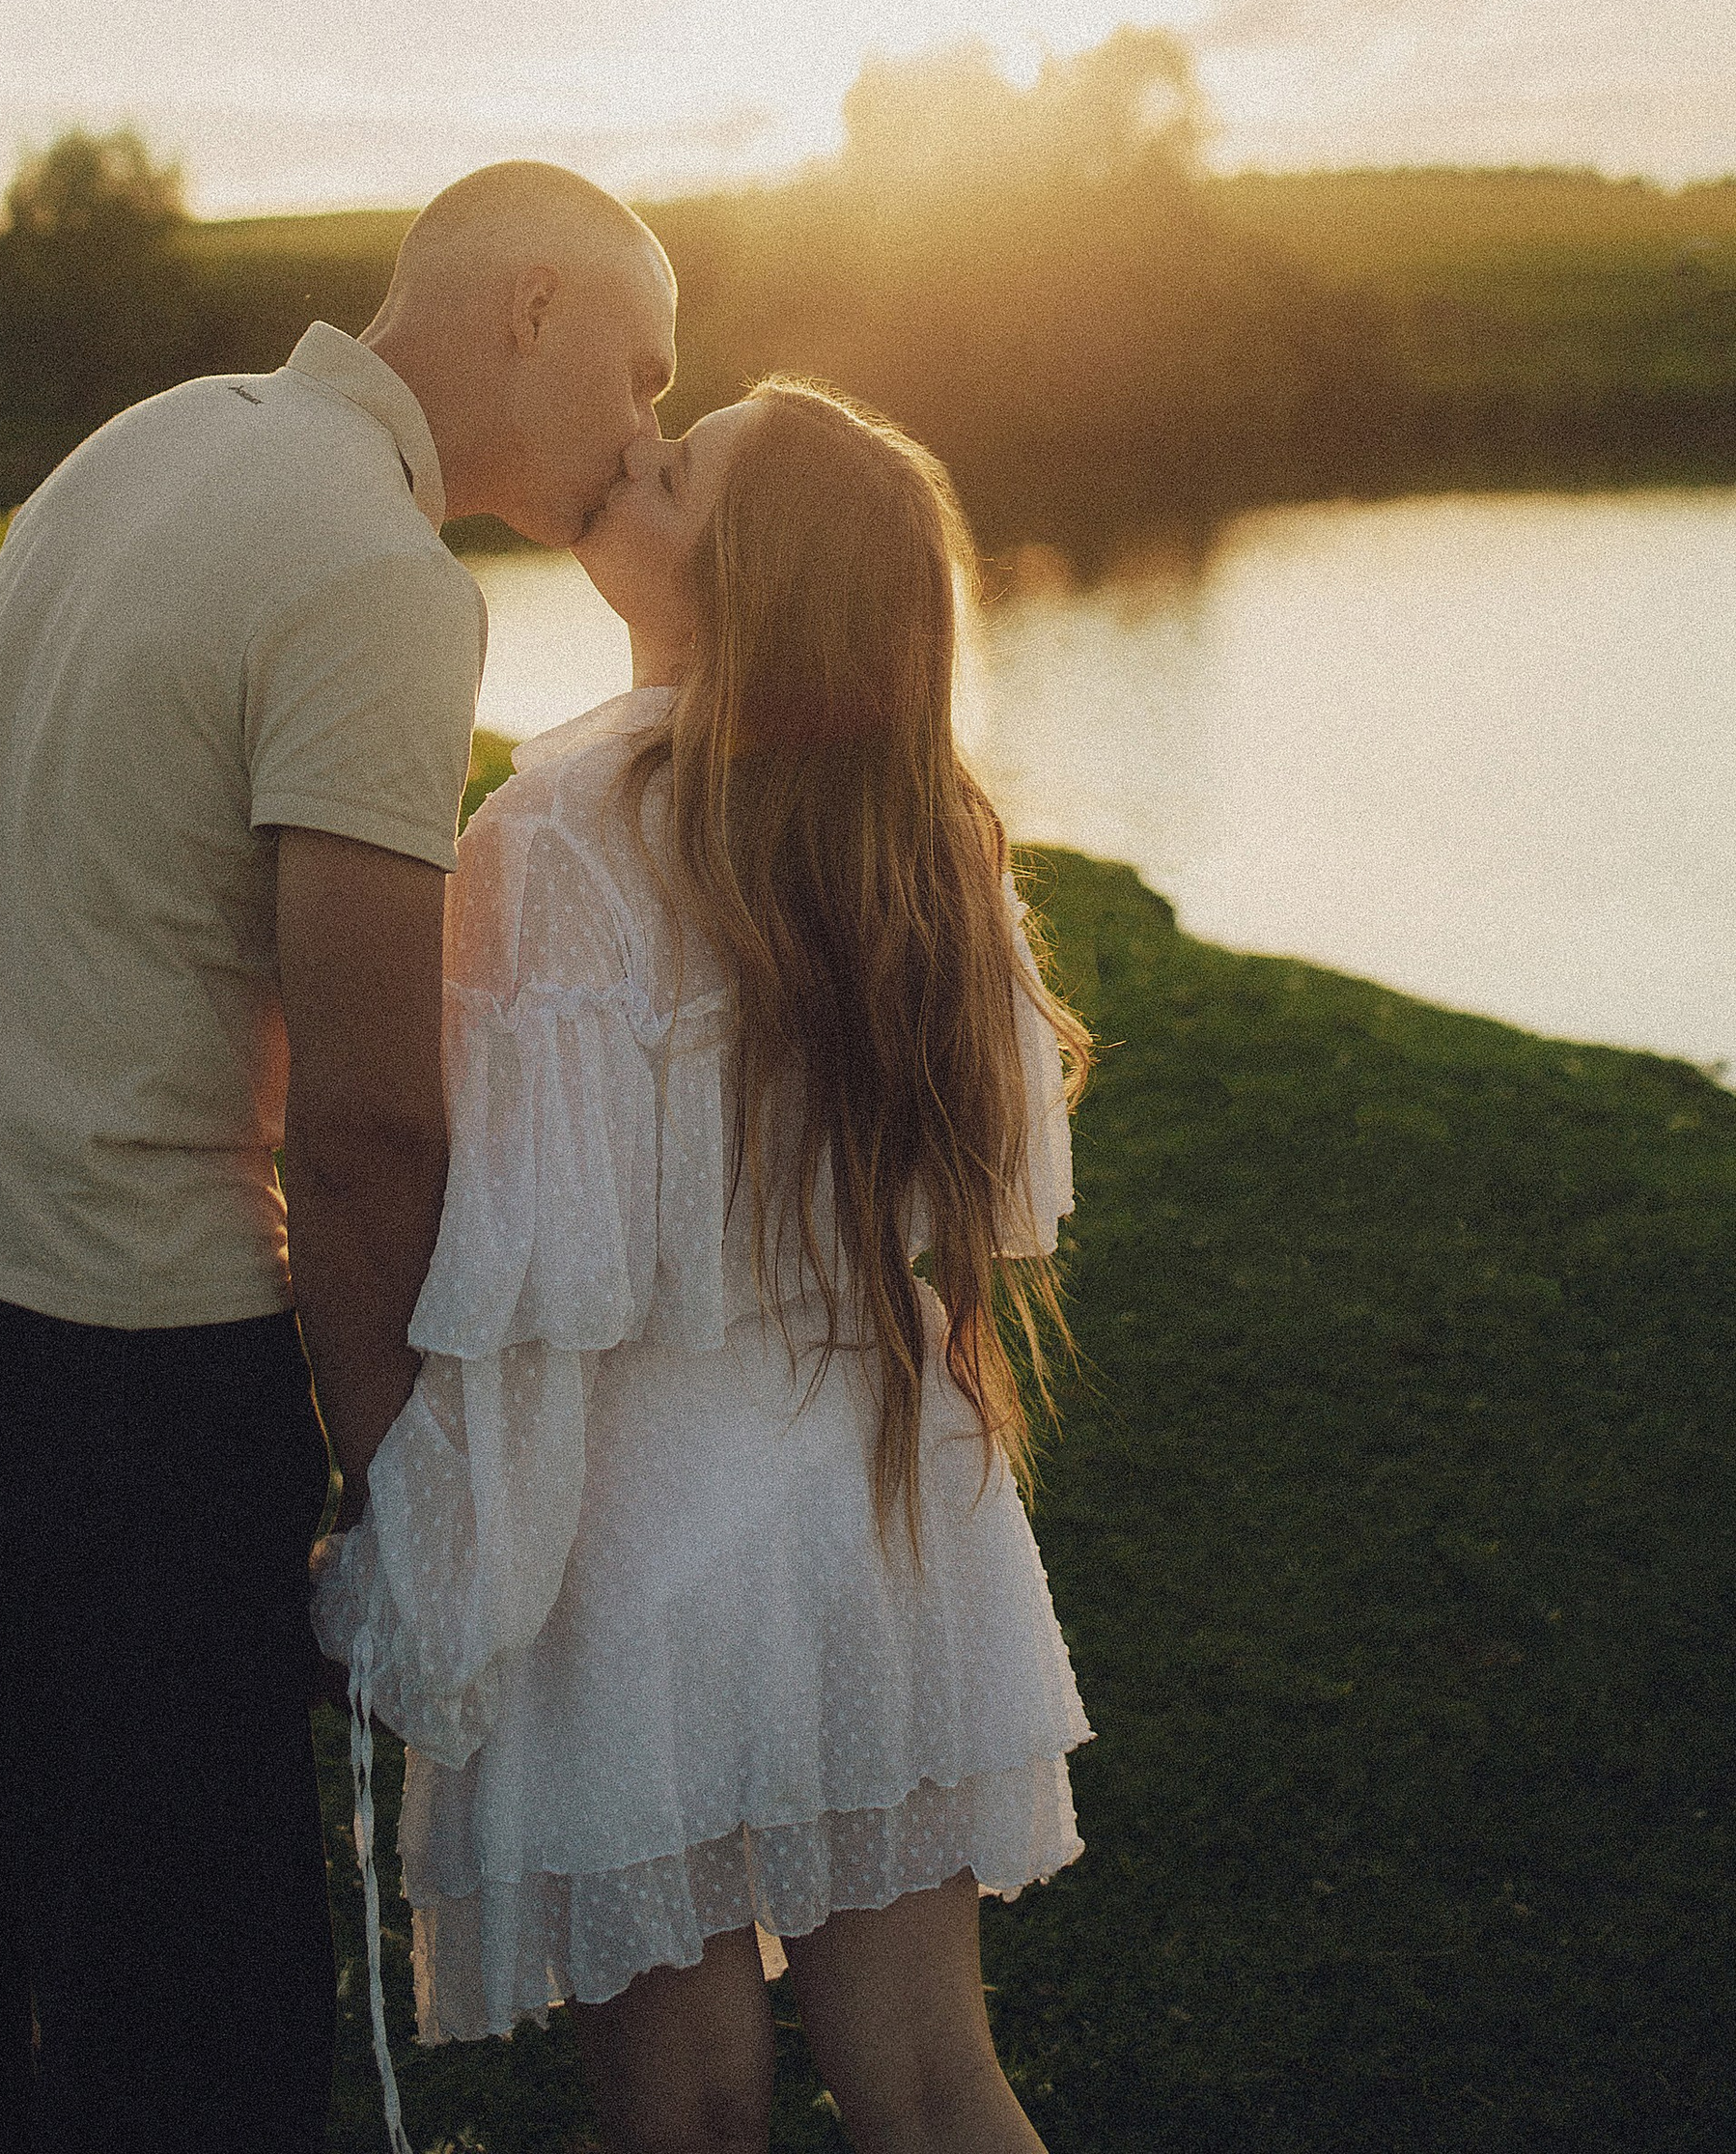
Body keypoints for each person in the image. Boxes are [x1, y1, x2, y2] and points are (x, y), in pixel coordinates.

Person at [0, 163, 678, 2154]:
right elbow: (361, 1123)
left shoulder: (162, 432)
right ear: (525, 307)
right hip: (94, 1351)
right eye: (636, 367)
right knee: (188, 2010)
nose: (644, 430)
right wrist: (407, 1484)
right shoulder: (378, 575)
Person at [314, 378, 1094, 2154]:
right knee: (930, 2076)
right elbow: (965, 1205)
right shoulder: (929, 842)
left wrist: (426, 1542)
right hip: (887, 1507)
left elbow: (521, 1279)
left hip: (639, 1546)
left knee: (686, 2109)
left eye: (678, 473)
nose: (630, 466)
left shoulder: (562, 839)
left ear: (750, 586)